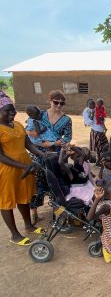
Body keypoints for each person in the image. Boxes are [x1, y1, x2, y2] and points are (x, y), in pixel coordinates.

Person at [0, 94, 45, 246]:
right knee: (6, 201)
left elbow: (29, 145)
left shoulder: (18, 125)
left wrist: (43, 154)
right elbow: (1, 156)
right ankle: (14, 235)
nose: (12, 113)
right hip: (7, 170)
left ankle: (28, 225)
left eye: (13, 110)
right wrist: (24, 166)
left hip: (25, 166)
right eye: (8, 111)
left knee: (23, 196)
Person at [26, 90, 72, 223]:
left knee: (56, 183)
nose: (58, 105)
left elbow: (68, 137)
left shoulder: (66, 120)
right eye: (56, 102)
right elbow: (29, 133)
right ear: (50, 101)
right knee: (36, 183)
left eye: (61, 103)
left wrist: (54, 143)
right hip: (37, 152)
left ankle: (57, 214)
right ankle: (34, 212)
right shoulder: (39, 115)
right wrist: (42, 143)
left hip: (56, 155)